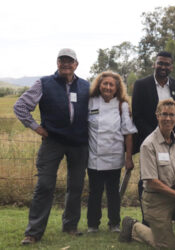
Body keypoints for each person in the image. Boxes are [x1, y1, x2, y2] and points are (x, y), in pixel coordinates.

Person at [14, 48, 89, 244]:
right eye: (62, 60)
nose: (66, 64)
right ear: (57, 63)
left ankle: (70, 226)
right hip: (53, 141)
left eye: (69, 61)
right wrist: (37, 128)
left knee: (76, 186)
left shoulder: (86, 86)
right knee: (45, 185)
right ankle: (33, 233)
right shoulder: (44, 83)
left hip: (79, 144)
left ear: (76, 64)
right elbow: (20, 107)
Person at [118, 99, 175, 248]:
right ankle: (134, 227)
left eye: (172, 115)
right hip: (157, 199)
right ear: (157, 115)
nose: (168, 118)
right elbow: (151, 182)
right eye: (164, 114)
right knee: (168, 246)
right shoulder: (148, 145)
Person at [131, 51, 175, 225]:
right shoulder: (141, 84)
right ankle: (147, 219)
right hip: (150, 139)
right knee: (147, 179)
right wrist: (156, 136)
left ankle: (174, 216)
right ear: (154, 64)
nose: (163, 67)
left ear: (171, 67)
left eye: (167, 64)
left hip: (172, 140)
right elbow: (137, 116)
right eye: (160, 63)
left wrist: (173, 136)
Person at [86, 71, 137, 233]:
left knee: (113, 193)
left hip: (115, 157)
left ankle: (114, 224)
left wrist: (128, 157)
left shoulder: (122, 105)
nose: (108, 87)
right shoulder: (90, 102)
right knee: (94, 192)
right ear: (99, 86)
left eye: (111, 85)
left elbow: (128, 133)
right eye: (105, 84)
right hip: (94, 157)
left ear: (117, 88)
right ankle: (93, 225)